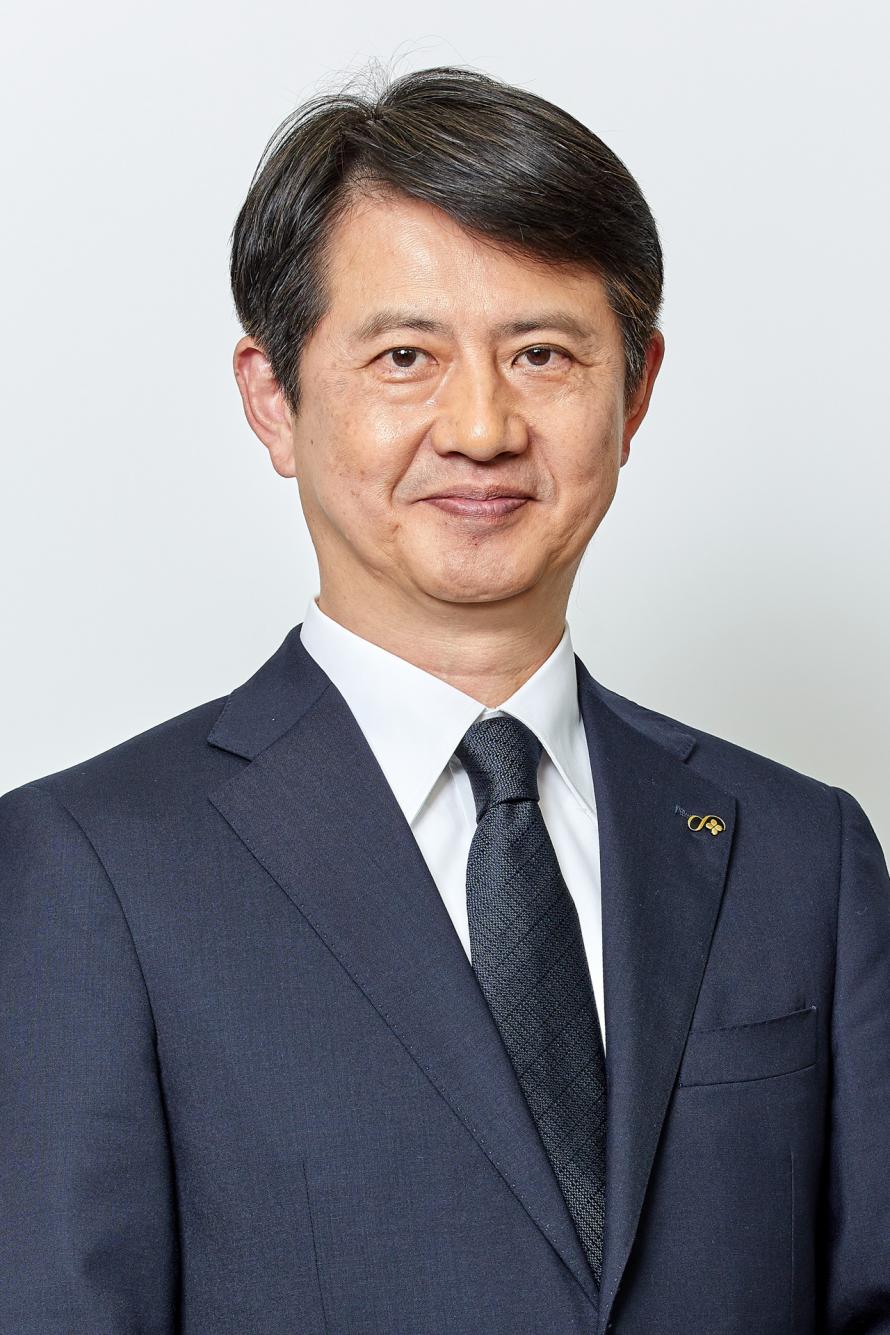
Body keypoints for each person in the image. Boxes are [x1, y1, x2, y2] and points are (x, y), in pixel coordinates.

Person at [1, 63, 888, 1335]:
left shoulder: (804, 852)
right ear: (272, 400)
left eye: (542, 354)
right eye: (405, 356)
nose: (480, 427)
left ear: (634, 391)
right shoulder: (89, 867)